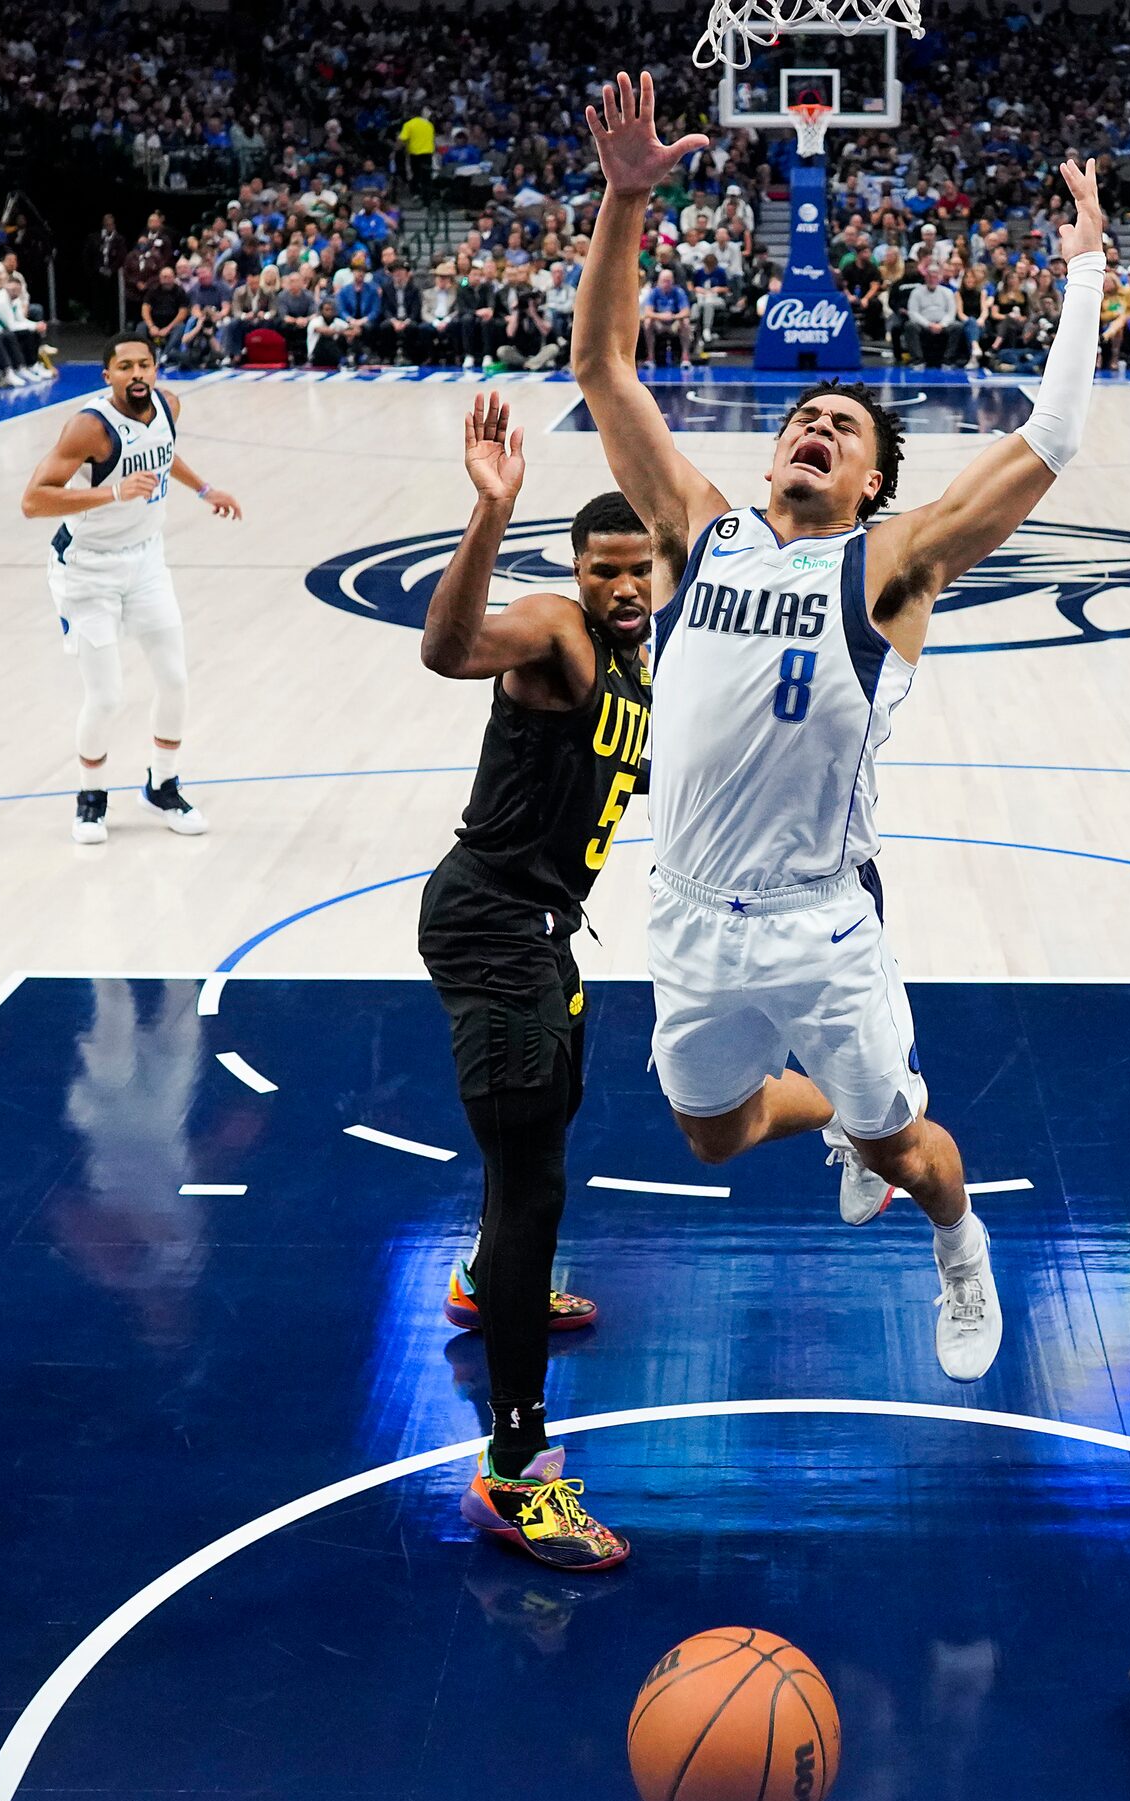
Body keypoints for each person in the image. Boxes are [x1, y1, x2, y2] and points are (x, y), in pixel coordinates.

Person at [571, 73, 1113, 1383]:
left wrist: (1085, 267)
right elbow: (600, 365)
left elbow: (1050, 438)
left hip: (824, 926)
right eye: (801, 420)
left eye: (842, 428)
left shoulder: (892, 569)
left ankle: (960, 1238)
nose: (813, 427)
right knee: (709, 1131)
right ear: (769, 461)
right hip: (689, 913)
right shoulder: (700, 534)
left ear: (872, 479)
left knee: (903, 1151)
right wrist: (623, 196)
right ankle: (823, 1118)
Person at [416, 395, 652, 1569]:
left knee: (542, 1136)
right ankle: (514, 1470)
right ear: (577, 568)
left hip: (545, 931)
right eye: (605, 569)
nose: (623, 588)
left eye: (637, 569)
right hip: (493, 925)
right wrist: (488, 513)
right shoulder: (559, 632)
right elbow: (449, 649)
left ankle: (481, 1280)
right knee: (536, 1185)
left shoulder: (641, 660)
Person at [21, 337, 242, 844]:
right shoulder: (87, 427)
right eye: (125, 366)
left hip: (145, 562)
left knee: (174, 680)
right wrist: (110, 493)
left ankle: (162, 785)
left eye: (145, 363)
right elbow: (33, 501)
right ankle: (90, 797)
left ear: (155, 369)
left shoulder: (169, 404)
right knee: (106, 697)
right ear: (108, 376)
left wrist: (206, 489)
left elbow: (161, 454)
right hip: (86, 571)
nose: (137, 372)